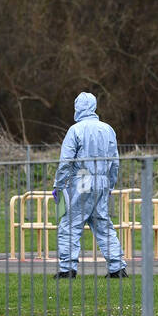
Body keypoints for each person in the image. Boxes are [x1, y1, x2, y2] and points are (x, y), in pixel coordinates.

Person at [52, 92, 127, 278]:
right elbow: (115, 161)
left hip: (83, 178)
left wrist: (59, 185)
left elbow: (66, 161)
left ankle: (67, 269)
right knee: (102, 223)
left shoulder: (75, 130)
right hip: (102, 180)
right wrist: (110, 186)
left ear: (78, 107)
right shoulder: (108, 129)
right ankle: (117, 267)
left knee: (70, 224)